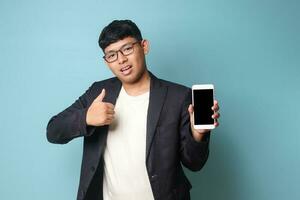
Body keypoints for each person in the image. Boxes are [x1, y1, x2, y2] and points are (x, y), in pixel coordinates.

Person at [46, 19, 220, 200]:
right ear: (107, 62)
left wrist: (198, 134)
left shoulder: (178, 96)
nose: (121, 60)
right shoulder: (99, 92)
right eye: (112, 55)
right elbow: (53, 131)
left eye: (127, 48)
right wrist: (85, 118)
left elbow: (194, 163)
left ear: (144, 46)